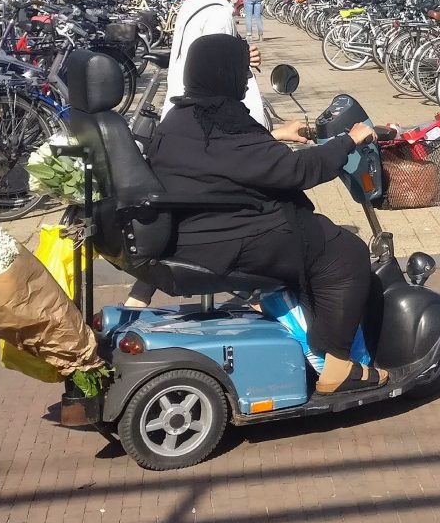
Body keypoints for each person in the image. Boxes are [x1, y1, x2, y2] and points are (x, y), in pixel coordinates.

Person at [151, 34, 388, 393]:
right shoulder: (221, 121)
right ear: (223, 72)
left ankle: (302, 331)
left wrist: (277, 134)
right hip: (231, 237)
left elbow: (235, 158)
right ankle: (339, 366)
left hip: (202, 230)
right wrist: (348, 141)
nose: (246, 78)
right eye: (242, 70)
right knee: (345, 251)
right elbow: (295, 172)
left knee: (315, 239)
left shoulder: (181, 116)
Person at [165, 0, 305, 137]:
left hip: (183, 125)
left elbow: (202, 62)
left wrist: (240, 57)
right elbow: (215, 86)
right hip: (206, 133)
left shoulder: (195, 1)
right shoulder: (217, 13)